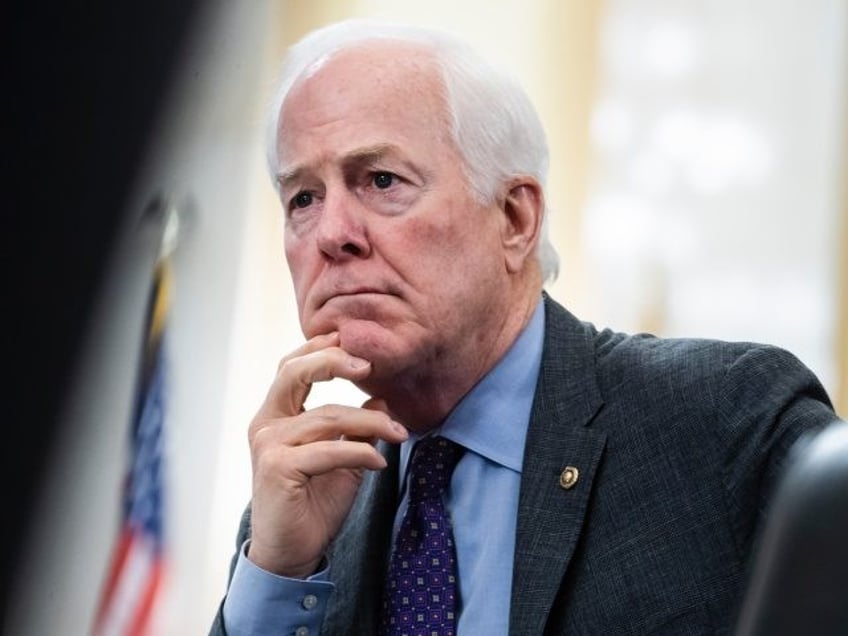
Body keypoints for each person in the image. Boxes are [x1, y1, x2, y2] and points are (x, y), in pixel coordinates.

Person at [209, 17, 841, 636]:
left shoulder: (727, 418)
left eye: (380, 180)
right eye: (303, 199)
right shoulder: (299, 507)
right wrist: (277, 576)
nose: (331, 235)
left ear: (514, 219)